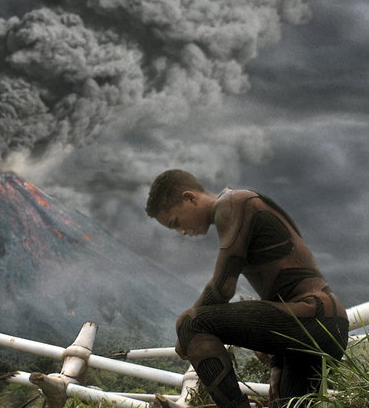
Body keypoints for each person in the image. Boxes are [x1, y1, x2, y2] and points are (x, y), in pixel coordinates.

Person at [145, 169, 349, 408]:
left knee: (190, 323)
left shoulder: (233, 203)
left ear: (190, 198)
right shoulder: (245, 204)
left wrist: (185, 335)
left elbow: (222, 287)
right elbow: (283, 292)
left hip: (313, 317)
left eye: (176, 222)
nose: (181, 231)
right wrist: (277, 364)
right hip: (325, 327)